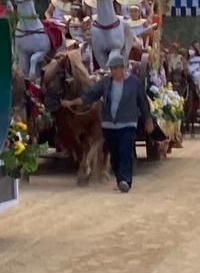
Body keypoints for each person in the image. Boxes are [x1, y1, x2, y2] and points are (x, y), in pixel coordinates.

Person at [61, 53, 153, 193]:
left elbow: (143, 103)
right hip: (109, 125)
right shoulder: (105, 82)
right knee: (115, 155)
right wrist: (71, 103)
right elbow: (90, 95)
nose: (113, 72)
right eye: (111, 69)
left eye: (115, 68)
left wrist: (148, 119)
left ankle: (125, 181)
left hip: (128, 123)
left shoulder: (134, 83)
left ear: (122, 68)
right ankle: (119, 179)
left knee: (125, 152)